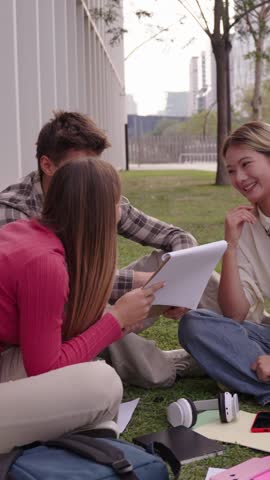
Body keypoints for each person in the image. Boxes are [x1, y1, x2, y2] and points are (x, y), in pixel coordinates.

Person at [0, 110, 220, 388]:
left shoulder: (96, 195)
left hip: (69, 305)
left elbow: (174, 235)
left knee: (185, 264)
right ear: (48, 165)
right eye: (81, 166)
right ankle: (162, 366)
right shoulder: (13, 211)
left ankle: (253, 333)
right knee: (98, 335)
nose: (92, 174)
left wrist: (181, 279)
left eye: (96, 164)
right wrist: (130, 294)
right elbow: (55, 286)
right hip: (49, 315)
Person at [0, 157, 163, 453]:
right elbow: (46, 370)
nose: (120, 212)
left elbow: (44, 345)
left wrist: (117, 323)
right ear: (98, 213)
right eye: (117, 203)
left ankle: (86, 434)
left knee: (85, 372)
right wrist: (113, 321)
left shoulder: (27, 233)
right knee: (103, 382)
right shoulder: (44, 264)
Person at [179, 121, 270, 406]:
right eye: (232, 171)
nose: (240, 178)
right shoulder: (249, 224)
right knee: (195, 324)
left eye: (246, 164)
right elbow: (235, 314)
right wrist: (230, 246)